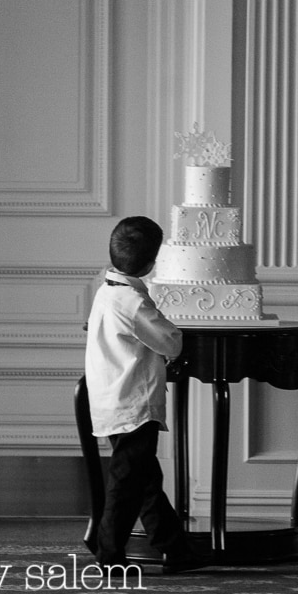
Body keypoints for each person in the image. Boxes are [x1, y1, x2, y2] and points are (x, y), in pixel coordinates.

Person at [85, 215, 199, 572]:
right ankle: (107, 552)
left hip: (109, 400)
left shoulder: (106, 291)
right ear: (152, 263)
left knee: (145, 480)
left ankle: (175, 549)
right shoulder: (133, 302)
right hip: (134, 405)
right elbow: (171, 340)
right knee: (127, 484)